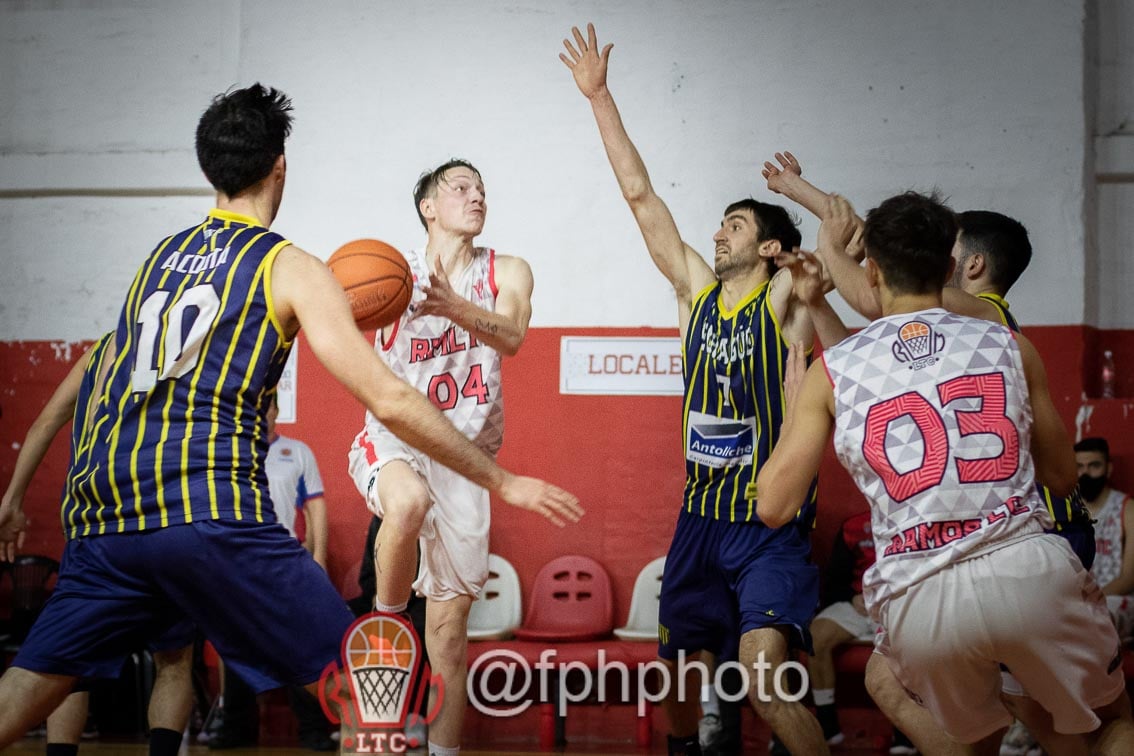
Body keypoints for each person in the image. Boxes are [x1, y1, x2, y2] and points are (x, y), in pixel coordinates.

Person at [0, 82, 582, 749]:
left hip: (106, 518)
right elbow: (388, 399)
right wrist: (506, 482)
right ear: (280, 166)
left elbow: (92, 384)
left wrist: (18, 494)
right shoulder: (290, 267)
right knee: (373, 688)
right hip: (209, 511)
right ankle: (389, 633)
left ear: (206, 168)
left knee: (28, 684)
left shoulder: (153, 266)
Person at [559, 23, 867, 756]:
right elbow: (640, 197)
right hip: (698, 517)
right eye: (720, 226)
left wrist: (801, 194)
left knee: (764, 678)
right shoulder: (697, 292)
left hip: (769, 525)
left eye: (734, 226)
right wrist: (600, 97)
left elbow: (849, 231)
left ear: (767, 247)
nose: (718, 235)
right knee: (675, 686)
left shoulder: (787, 295)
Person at [756, 190, 1134, 754]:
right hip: (1025, 566)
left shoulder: (834, 369)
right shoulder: (1009, 343)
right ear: (952, 268)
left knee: (967, 737)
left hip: (919, 589)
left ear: (875, 270)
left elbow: (773, 507)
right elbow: (1060, 477)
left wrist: (794, 412)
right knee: (1106, 724)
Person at [346, 153, 535, 756]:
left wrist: (454, 306)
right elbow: (337, 317)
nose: (476, 196)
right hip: (397, 438)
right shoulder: (389, 274)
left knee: (449, 641)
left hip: (466, 461)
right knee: (405, 502)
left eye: (482, 189)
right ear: (428, 207)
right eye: (460, 187)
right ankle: (386, 621)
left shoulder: (506, 270)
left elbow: (512, 336)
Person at [0, 333, 195, 756]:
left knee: (63, 663)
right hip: (167, 518)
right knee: (175, 659)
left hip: (97, 523)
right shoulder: (193, 345)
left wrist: (12, 500)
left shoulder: (102, 350)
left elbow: (45, 422)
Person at [207, 395, 336, 751]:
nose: (262, 414)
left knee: (302, 648)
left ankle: (312, 731)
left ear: (276, 411)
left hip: (286, 565)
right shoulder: (229, 451)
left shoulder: (297, 452)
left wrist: (319, 558)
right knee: (237, 647)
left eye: (268, 407)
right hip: (239, 566)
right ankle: (236, 727)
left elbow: (316, 508)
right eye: (255, 407)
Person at [1077, 437, 1134, 642]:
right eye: (1080, 466)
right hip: (1074, 600)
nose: (1086, 473)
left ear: (1108, 469)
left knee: (1096, 622)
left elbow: (1129, 577)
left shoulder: (1127, 508)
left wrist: (1093, 601)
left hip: (1114, 599)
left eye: (1094, 465)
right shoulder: (1067, 511)